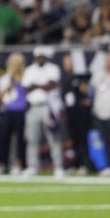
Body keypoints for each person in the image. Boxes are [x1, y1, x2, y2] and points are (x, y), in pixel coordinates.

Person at [22, 46, 64, 176]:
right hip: (33, 106)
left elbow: (51, 86)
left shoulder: (53, 68)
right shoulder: (30, 70)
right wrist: (41, 85)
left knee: (53, 137)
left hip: (49, 106)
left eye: (42, 56)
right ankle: (32, 166)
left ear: (46, 57)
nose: (40, 58)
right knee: (32, 138)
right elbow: (26, 88)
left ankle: (58, 167)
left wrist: (36, 85)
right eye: (38, 56)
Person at [0, 52, 28, 174]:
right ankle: (2, 163)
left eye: (18, 63)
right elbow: (0, 97)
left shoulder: (26, 77)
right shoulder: (4, 78)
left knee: (20, 139)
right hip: (7, 110)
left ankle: (19, 163)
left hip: (22, 111)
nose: (16, 66)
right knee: (4, 138)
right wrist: (11, 82)